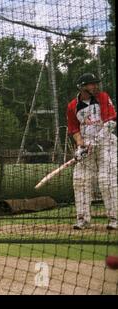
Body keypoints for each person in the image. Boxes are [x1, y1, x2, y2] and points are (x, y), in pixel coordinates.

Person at [66, 73, 117, 230]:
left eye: (95, 83)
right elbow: (74, 129)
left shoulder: (103, 97)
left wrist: (96, 141)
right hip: (87, 145)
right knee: (80, 179)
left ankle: (115, 219)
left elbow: (111, 121)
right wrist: (80, 145)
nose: (95, 86)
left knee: (106, 179)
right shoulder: (72, 105)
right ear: (82, 87)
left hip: (106, 143)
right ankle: (83, 219)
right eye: (91, 84)